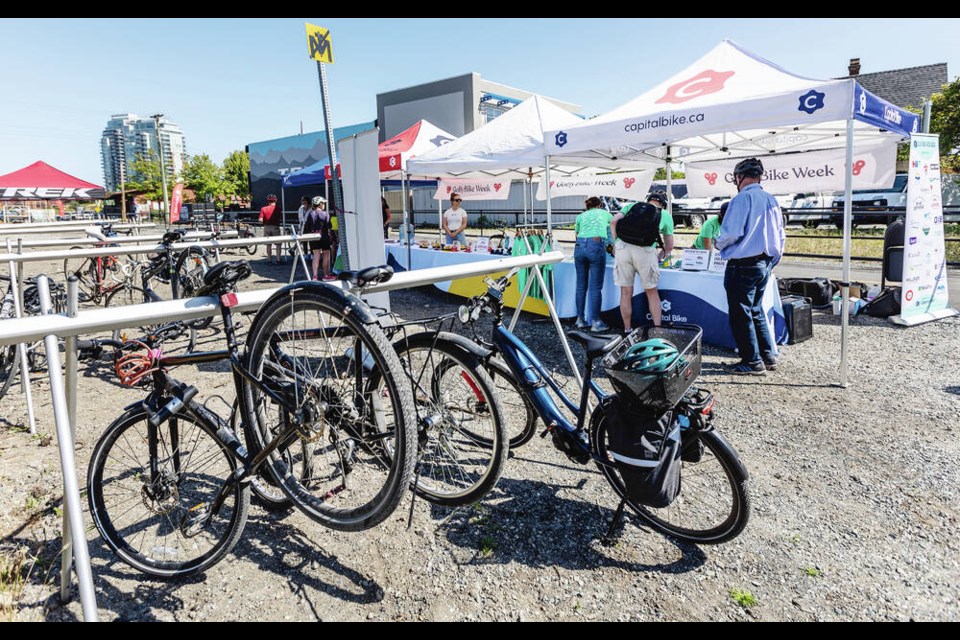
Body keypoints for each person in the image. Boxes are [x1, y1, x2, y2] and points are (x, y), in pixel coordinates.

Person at [715, 157, 786, 375]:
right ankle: (767, 356)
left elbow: (731, 233)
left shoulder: (741, 199)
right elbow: (780, 236)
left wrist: (719, 243)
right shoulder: (771, 199)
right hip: (764, 262)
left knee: (741, 313)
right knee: (756, 310)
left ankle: (752, 361)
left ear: (739, 177)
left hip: (743, 263)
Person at [610, 192, 675, 330]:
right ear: (663, 204)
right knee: (651, 292)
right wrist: (660, 256)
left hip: (623, 248)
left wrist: (616, 243)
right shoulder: (665, 215)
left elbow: (613, 221)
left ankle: (627, 329)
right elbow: (669, 246)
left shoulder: (632, 206)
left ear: (647, 200)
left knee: (626, 292)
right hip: (645, 251)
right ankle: (657, 329)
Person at [573, 196, 612, 333]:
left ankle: (580, 320)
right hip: (595, 245)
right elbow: (612, 228)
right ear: (600, 205)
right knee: (595, 287)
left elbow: (577, 233)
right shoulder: (605, 213)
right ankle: (596, 322)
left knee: (580, 286)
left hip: (579, 246)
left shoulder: (581, 216)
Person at [302, 195, 335, 281]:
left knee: (316, 255)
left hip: (313, 237)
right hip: (324, 237)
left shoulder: (310, 214)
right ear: (320, 204)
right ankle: (326, 275)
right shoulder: (325, 214)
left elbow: (307, 227)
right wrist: (332, 236)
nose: (324, 204)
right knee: (326, 255)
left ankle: (315, 276)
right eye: (323, 203)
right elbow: (329, 227)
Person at [259, 194, 283, 264]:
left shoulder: (263, 209)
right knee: (278, 244)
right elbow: (281, 218)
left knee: (268, 245)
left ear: (268, 201)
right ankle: (278, 260)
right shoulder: (278, 209)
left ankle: (269, 260)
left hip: (266, 227)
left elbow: (260, 220)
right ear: (276, 200)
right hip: (275, 227)